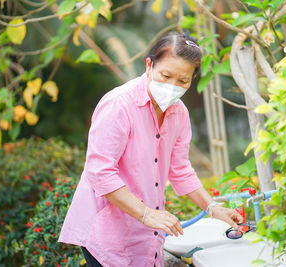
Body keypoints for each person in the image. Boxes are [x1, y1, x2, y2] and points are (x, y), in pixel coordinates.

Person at [57, 31, 243, 267]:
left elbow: (180, 169)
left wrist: (214, 208)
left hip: (146, 235)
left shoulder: (179, 114)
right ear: (149, 65)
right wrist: (147, 214)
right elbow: (100, 173)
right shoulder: (118, 105)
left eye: (183, 81)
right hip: (107, 235)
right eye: (165, 75)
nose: (173, 86)